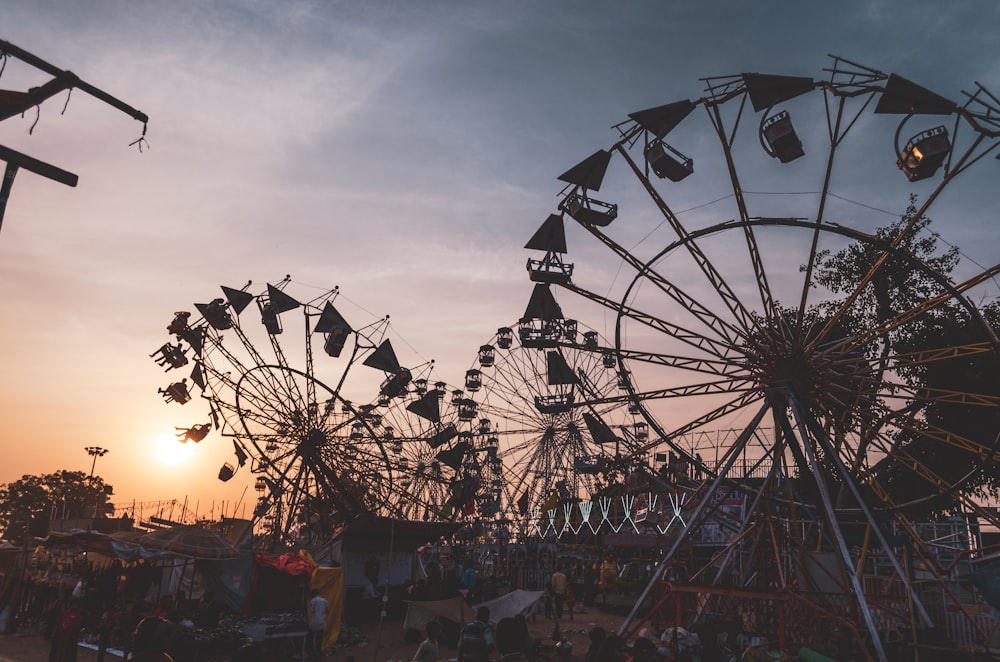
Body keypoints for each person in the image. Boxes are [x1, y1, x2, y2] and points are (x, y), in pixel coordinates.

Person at [307, 588, 330, 661]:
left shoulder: (313, 600)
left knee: (310, 639)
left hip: (314, 623)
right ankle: (318, 656)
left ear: (313, 594)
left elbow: (313, 611)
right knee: (319, 640)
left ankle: (311, 654)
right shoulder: (325, 601)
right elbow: (327, 610)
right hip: (321, 623)